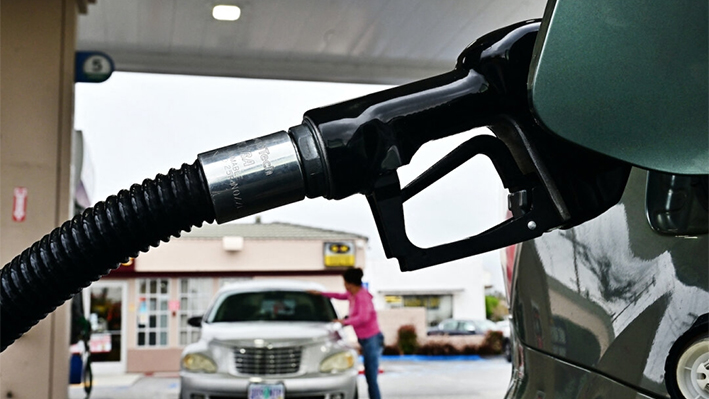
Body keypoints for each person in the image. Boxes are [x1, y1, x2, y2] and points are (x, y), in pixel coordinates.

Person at [310, 268, 383, 399]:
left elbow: (363, 318)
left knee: (371, 377)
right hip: (365, 339)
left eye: (344, 282)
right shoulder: (352, 294)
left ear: (350, 283)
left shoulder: (362, 297)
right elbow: (340, 296)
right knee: (369, 376)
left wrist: (344, 322)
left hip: (372, 339)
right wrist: (322, 294)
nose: (344, 285)